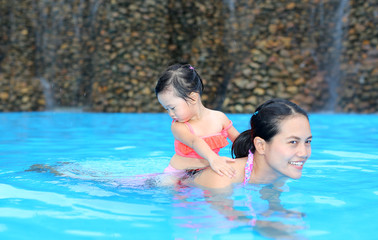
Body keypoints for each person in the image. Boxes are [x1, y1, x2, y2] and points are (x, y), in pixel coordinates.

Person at [192, 98, 312, 189]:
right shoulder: (222, 177)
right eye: (293, 142)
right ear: (261, 145)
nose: (304, 153)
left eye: (307, 141)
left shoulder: (280, 172)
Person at [155, 63, 240, 178]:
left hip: (206, 169)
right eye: (167, 109)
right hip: (178, 174)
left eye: (173, 108)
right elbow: (195, 142)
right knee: (165, 186)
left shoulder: (219, 118)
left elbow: (238, 140)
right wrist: (214, 159)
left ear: (193, 97)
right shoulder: (179, 126)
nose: (170, 114)